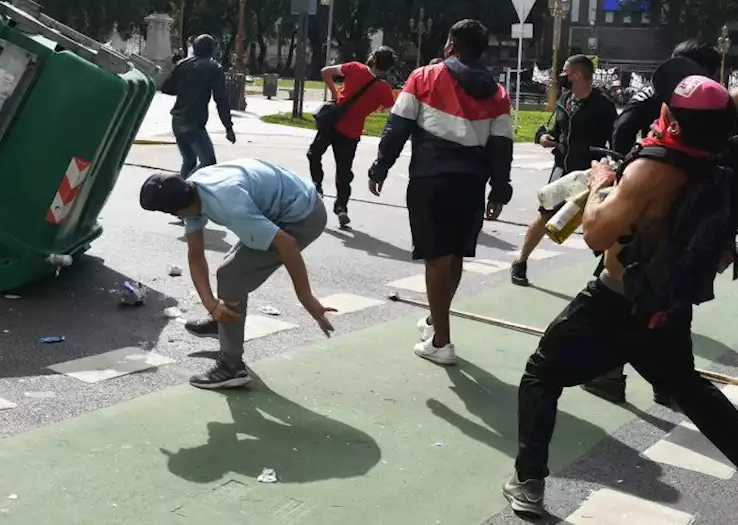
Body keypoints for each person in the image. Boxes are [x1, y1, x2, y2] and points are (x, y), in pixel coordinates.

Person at [504, 59, 738, 524]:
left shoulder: (651, 170)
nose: (661, 107)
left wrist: (599, 185)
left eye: (668, 104)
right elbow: (728, 107)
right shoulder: (712, 149)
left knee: (541, 374)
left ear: (673, 118)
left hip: (615, 298)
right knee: (687, 386)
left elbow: (594, 236)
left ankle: (528, 483)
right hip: (668, 299)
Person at [587, 39, 738, 406]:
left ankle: (620, 375)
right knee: (673, 300)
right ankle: (666, 382)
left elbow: (623, 129)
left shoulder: (668, 106)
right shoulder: (729, 119)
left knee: (625, 295)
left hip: (651, 222)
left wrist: (620, 177)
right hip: (696, 230)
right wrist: (728, 235)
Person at [367, 19, 513, 366]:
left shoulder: (424, 77)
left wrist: (381, 166)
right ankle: (435, 319)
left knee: (436, 257)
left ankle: (441, 342)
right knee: (456, 255)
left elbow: (397, 126)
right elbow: (502, 146)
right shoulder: (497, 92)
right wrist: (500, 189)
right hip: (472, 183)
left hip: (431, 177)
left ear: (450, 45)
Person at [138, 159, 336, 390]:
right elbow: (195, 254)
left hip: (303, 216)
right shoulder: (194, 187)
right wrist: (210, 303)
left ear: (176, 211)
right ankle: (221, 324)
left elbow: (287, 244)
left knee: (231, 277)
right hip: (289, 198)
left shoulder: (229, 204)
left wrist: (306, 298)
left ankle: (232, 367)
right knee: (231, 267)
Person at [511, 54, 617, 287]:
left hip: (591, 173)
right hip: (562, 169)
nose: (561, 77)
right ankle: (520, 261)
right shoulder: (564, 100)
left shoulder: (604, 106)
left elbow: (616, 140)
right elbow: (553, 129)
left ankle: (610, 274)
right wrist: (543, 137)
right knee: (545, 214)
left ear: (578, 74)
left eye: (565, 72)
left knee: (604, 221)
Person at [308, 47, 397, 229]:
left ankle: (317, 185)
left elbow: (326, 72)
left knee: (314, 153)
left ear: (372, 58)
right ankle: (341, 207)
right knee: (344, 171)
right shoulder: (384, 89)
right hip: (351, 133)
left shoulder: (355, 68)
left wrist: (335, 93)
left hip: (332, 123)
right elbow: (390, 110)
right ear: (388, 68)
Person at [159, 34, 236, 179]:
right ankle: (183, 188)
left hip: (177, 119)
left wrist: (185, 87)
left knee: (189, 161)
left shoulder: (182, 64)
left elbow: (166, 88)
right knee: (208, 162)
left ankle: (180, 197)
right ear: (212, 50)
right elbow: (221, 99)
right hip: (193, 122)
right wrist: (228, 127)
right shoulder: (214, 67)